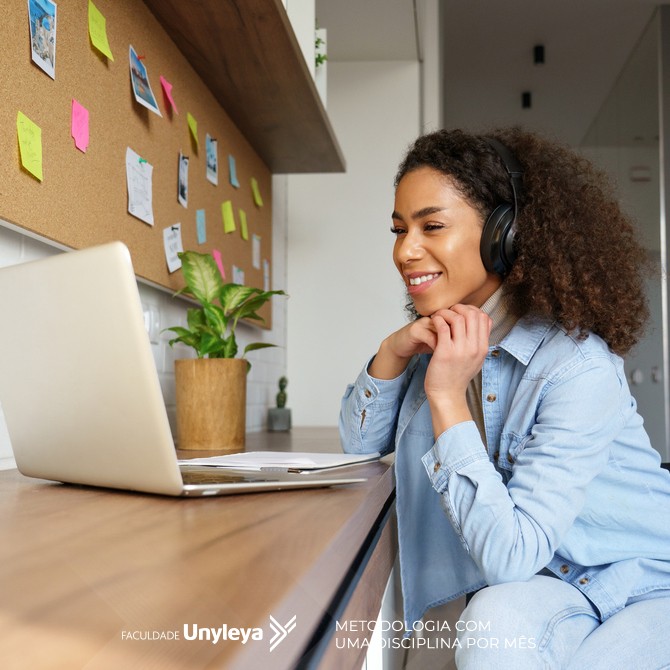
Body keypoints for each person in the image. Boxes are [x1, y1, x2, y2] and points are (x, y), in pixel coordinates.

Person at [339, 127, 670, 668]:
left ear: (504, 235)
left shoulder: (577, 368)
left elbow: (508, 555)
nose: (405, 250)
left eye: (432, 226)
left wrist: (445, 397)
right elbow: (359, 442)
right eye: (399, 230)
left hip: (647, 583)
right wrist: (391, 354)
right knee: (491, 626)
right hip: (553, 586)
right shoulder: (440, 343)